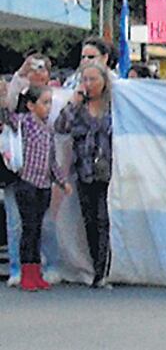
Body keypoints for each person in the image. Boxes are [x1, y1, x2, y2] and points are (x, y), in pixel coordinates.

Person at [2, 85, 71, 291]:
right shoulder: (24, 123)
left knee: (38, 229)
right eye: (44, 102)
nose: (48, 107)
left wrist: (62, 182)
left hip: (44, 185)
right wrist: (5, 96)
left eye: (50, 103)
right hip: (27, 182)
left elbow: (52, 162)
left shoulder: (48, 130)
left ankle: (36, 272)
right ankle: (26, 273)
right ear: (31, 105)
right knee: (29, 229)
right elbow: (6, 115)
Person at [55, 63, 112, 288]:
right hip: (84, 171)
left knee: (104, 219)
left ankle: (103, 269)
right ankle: (95, 265)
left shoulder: (113, 106)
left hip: (109, 172)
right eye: (85, 79)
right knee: (90, 220)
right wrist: (74, 102)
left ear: (104, 81)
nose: (88, 84)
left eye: (93, 79)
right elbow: (61, 127)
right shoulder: (78, 107)